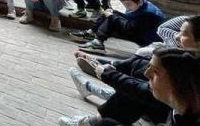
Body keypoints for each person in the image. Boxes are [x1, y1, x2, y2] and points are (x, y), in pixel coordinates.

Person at [61, 47, 200, 126]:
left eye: (155, 72)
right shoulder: (181, 107)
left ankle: (92, 87)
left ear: (178, 82)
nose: (147, 74)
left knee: (134, 93)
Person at [70, 0, 165, 51]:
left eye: (129, 5)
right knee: (110, 12)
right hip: (136, 29)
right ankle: (91, 33)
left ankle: (98, 42)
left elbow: (130, 27)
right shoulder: (140, 3)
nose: (127, 8)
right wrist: (112, 14)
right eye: (124, 4)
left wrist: (112, 17)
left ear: (139, 2)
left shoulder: (149, 13)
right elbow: (130, 19)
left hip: (147, 40)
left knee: (112, 17)